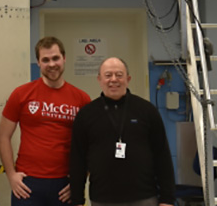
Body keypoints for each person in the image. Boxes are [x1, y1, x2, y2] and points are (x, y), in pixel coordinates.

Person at [70, 56, 175, 206]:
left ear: (128, 79)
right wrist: (77, 200)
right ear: (99, 79)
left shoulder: (147, 111)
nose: (114, 79)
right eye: (108, 75)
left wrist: (167, 199)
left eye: (119, 75)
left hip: (144, 198)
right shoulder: (86, 115)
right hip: (102, 199)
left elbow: (162, 156)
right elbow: (77, 161)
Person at [0, 36, 91, 205]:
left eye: (55, 58)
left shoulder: (82, 99)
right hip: (27, 184)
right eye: (45, 60)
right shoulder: (21, 94)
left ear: (64, 58)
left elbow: (92, 144)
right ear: (38, 63)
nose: (51, 64)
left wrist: (79, 181)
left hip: (65, 185)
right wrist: (11, 175)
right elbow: (3, 136)